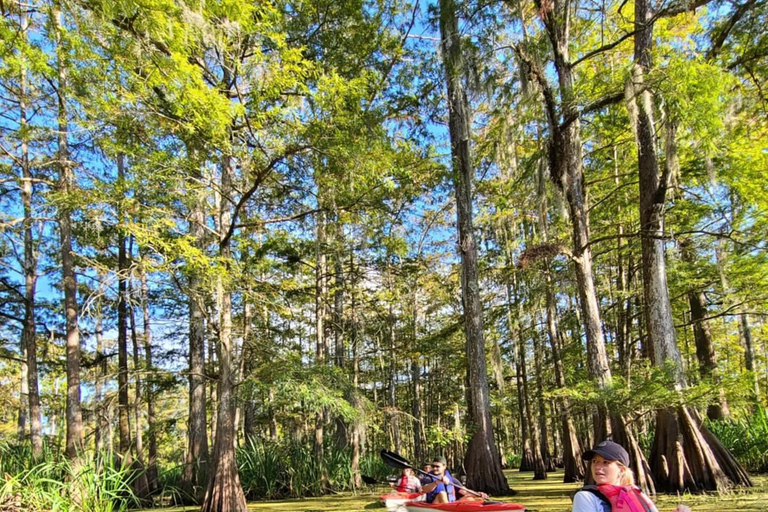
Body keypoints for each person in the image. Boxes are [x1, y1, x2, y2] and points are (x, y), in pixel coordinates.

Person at [573, 440, 692, 512]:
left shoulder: (636, 493)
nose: (597, 467)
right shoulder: (586, 497)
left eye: (606, 462)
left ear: (621, 470)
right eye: (594, 461)